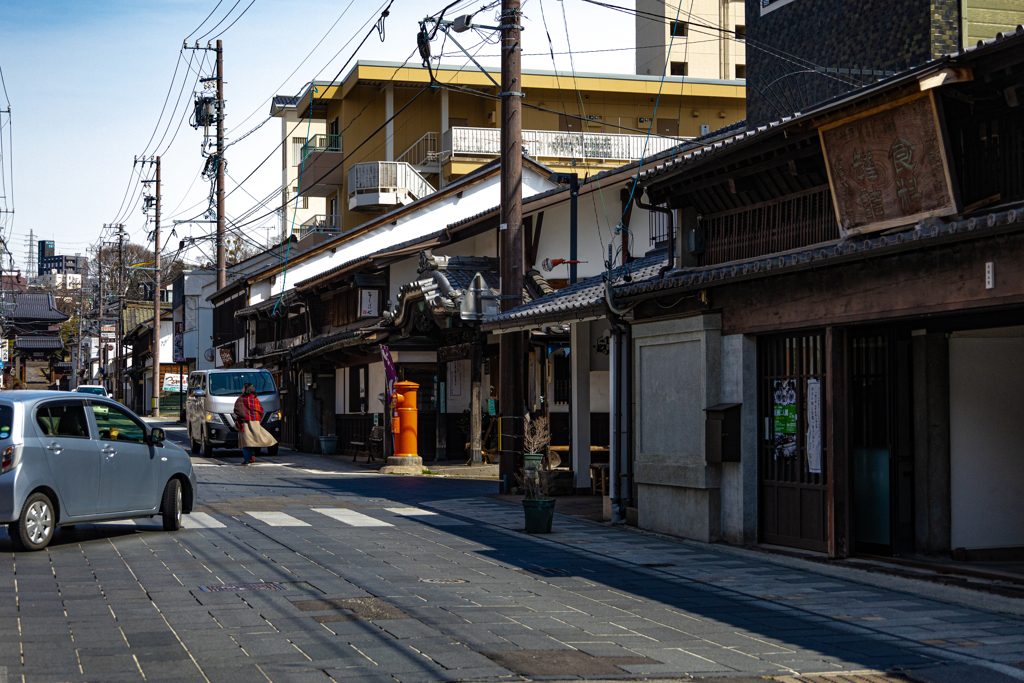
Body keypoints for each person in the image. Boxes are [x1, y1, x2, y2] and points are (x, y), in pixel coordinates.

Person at [233, 382, 277, 465]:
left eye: (243, 388)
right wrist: (257, 419)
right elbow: (261, 411)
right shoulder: (255, 399)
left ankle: (247, 459)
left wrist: (241, 418)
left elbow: (236, 410)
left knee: (245, 441)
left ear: (246, 390)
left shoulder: (240, 399)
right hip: (255, 422)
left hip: (244, 423)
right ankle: (252, 453)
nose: (242, 389)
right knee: (252, 439)